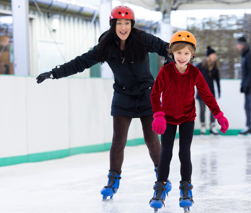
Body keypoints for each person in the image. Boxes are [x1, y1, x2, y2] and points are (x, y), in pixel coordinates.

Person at [36, 5, 172, 200]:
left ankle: (162, 177)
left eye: (127, 23)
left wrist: (170, 59)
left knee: (152, 140)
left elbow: (166, 47)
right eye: (119, 23)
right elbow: (81, 62)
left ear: (132, 25)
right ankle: (113, 179)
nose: (123, 27)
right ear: (113, 25)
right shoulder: (106, 46)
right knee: (118, 140)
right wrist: (54, 73)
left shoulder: (142, 39)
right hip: (123, 96)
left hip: (146, 95)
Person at [149, 31, 229, 212]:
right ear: (172, 53)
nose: (182, 57)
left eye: (186, 53)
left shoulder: (194, 73)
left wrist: (218, 114)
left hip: (187, 118)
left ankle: (186, 189)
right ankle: (160, 188)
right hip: (167, 118)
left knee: (184, 153)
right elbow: (154, 94)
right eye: (178, 53)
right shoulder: (166, 71)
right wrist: (158, 114)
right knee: (166, 153)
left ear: (192, 54)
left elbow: (207, 95)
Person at [196, 46, 221, 135]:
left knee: (213, 110)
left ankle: (212, 128)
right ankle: (203, 128)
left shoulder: (214, 67)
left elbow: (217, 80)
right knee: (202, 110)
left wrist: (219, 91)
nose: (215, 56)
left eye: (215, 55)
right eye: (213, 54)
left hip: (211, 93)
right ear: (209, 55)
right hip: (201, 93)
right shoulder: (200, 66)